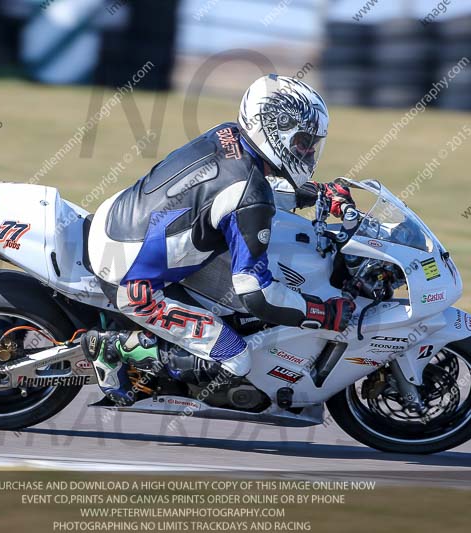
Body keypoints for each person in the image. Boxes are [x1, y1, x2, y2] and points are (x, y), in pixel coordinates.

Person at [83, 74, 356, 404]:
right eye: (302, 142)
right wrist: (321, 314)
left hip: (119, 221)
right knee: (237, 358)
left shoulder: (229, 136)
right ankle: (113, 348)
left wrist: (316, 193)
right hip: (131, 281)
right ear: (273, 129)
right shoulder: (250, 195)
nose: (309, 151)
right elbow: (257, 294)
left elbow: (234, 192)